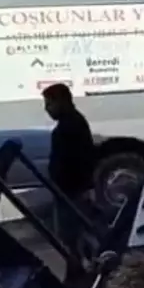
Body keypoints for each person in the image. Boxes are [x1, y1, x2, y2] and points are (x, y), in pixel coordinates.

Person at [42, 83, 96, 265]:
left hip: (70, 191)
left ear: (62, 102)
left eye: (49, 103)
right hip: (71, 190)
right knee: (76, 236)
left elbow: (72, 160)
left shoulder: (67, 128)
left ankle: (81, 270)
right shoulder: (75, 122)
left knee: (71, 236)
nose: (47, 109)